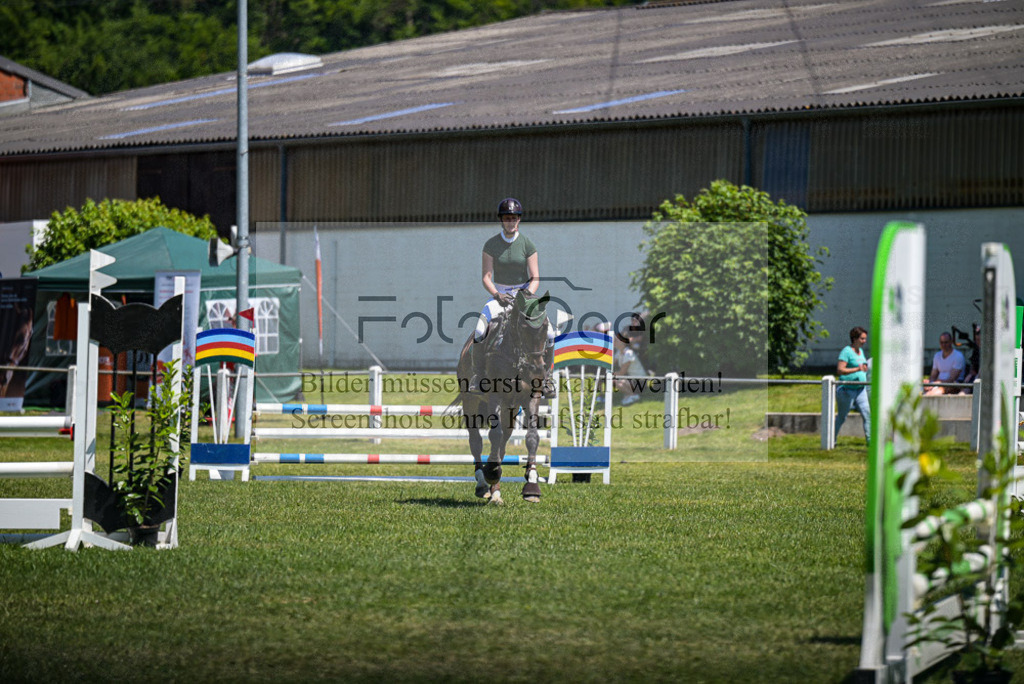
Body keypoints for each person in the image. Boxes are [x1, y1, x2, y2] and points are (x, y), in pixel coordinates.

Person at [466, 198, 555, 396]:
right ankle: (478, 376)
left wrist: (528, 294)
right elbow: (486, 277)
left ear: (519, 220)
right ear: (501, 220)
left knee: (550, 333)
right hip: (500, 294)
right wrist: (497, 294)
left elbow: (535, 277)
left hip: (525, 293)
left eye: (514, 218)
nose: (510, 222)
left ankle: (547, 378)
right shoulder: (491, 245)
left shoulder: (527, 244)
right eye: (507, 218)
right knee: (480, 330)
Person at [834, 326, 870, 444]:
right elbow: (840, 370)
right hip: (846, 390)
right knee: (842, 417)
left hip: (860, 389)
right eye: (862, 339)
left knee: (867, 414)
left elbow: (861, 366)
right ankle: (831, 439)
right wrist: (856, 369)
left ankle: (871, 443)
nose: (864, 341)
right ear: (854, 339)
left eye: (865, 339)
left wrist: (864, 369)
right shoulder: (846, 352)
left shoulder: (861, 352)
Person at [612, 328, 646, 406]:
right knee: (615, 379)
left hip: (640, 382)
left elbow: (622, 372)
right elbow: (611, 362)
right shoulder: (619, 352)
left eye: (616, 340)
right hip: (632, 379)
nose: (614, 342)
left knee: (616, 381)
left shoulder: (628, 353)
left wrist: (610, 375)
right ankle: (629, 394)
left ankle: (633, 395)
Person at [924, 331, 965, 396]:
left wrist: (936, 383)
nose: (944, 345)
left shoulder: (958, 356)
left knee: (932, 393)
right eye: (941, 342)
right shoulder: (937, 355)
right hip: (938, 384)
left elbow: (952, 379)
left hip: (954, 385)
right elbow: (933, 375)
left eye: (946, 342)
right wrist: (929, 383)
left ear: (951, 342)